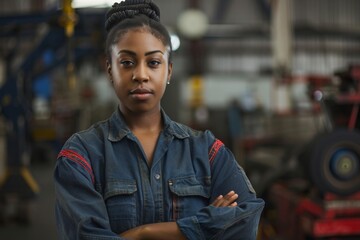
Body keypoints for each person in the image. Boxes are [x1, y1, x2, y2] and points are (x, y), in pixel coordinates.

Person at [54, 0, 264, 239]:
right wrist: (202, 228)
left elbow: (245, 221)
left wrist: (144, 233)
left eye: (153, 62)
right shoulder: (81, 155)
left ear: (169, 71)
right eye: (126, 63)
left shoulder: (206, 151)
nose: (140, 75)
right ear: (110, 70)